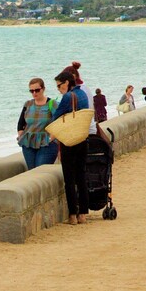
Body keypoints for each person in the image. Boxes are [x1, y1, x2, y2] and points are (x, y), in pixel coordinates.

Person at [51, 71, 90, 225]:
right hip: (82, 138)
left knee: (69, 178)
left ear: (67, 82)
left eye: (59, 85)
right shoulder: (83, 94)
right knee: (81, 176)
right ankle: (83, 214)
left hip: (69, 140)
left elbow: (57, 116)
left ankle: (73, 215)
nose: (59, 89)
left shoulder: (67, 97)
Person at [16, 77, 58, 170]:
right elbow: (20, 124)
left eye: (37, 90)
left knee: (40, 170)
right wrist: (21, 136)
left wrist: (51, 138)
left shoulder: (52, 104)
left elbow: (59, 124)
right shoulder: (28, 104)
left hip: (47, 144)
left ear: (43, 89)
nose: (34, 93)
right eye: (31, 91)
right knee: (32, 172)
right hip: (28, 143)